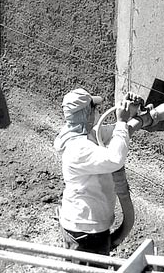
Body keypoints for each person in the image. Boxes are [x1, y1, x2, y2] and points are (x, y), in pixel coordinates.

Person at [53, 88, 144, 259]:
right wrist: (122, 122)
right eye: (94, 108)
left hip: (80, 222)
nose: (97, 111)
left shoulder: (75, 132)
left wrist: (129, 113)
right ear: (87, 112)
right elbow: (115, 158)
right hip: (87, 231)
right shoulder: (79, 148)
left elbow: (114, 134)